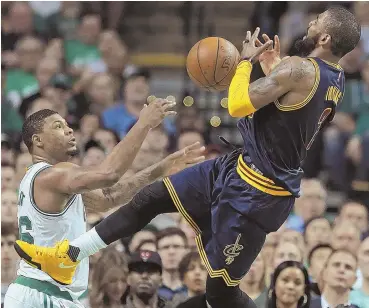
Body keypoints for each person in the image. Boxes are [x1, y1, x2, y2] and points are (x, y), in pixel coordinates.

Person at [15, 6, 362, 308]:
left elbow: (239, 104)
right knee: (151, 197)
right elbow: (290, 109)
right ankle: (70, 255)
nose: (310, 25)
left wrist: (244, 62)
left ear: (326, 38)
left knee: (220, 293)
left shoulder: (301, 69)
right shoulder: (336, 78)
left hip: (260, 192)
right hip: (241, 167)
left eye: (317, 22)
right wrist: (273, 66)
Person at [5, 101, 205, 308]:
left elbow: (109, 198)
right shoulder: (51, 174)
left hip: (45, 293)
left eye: (66, 124)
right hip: (42, 292)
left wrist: (160, 169)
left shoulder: (50, 180)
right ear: (38, 141)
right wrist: (144, 123)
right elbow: (109, 174)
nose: (69, 130)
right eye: (57, 126)